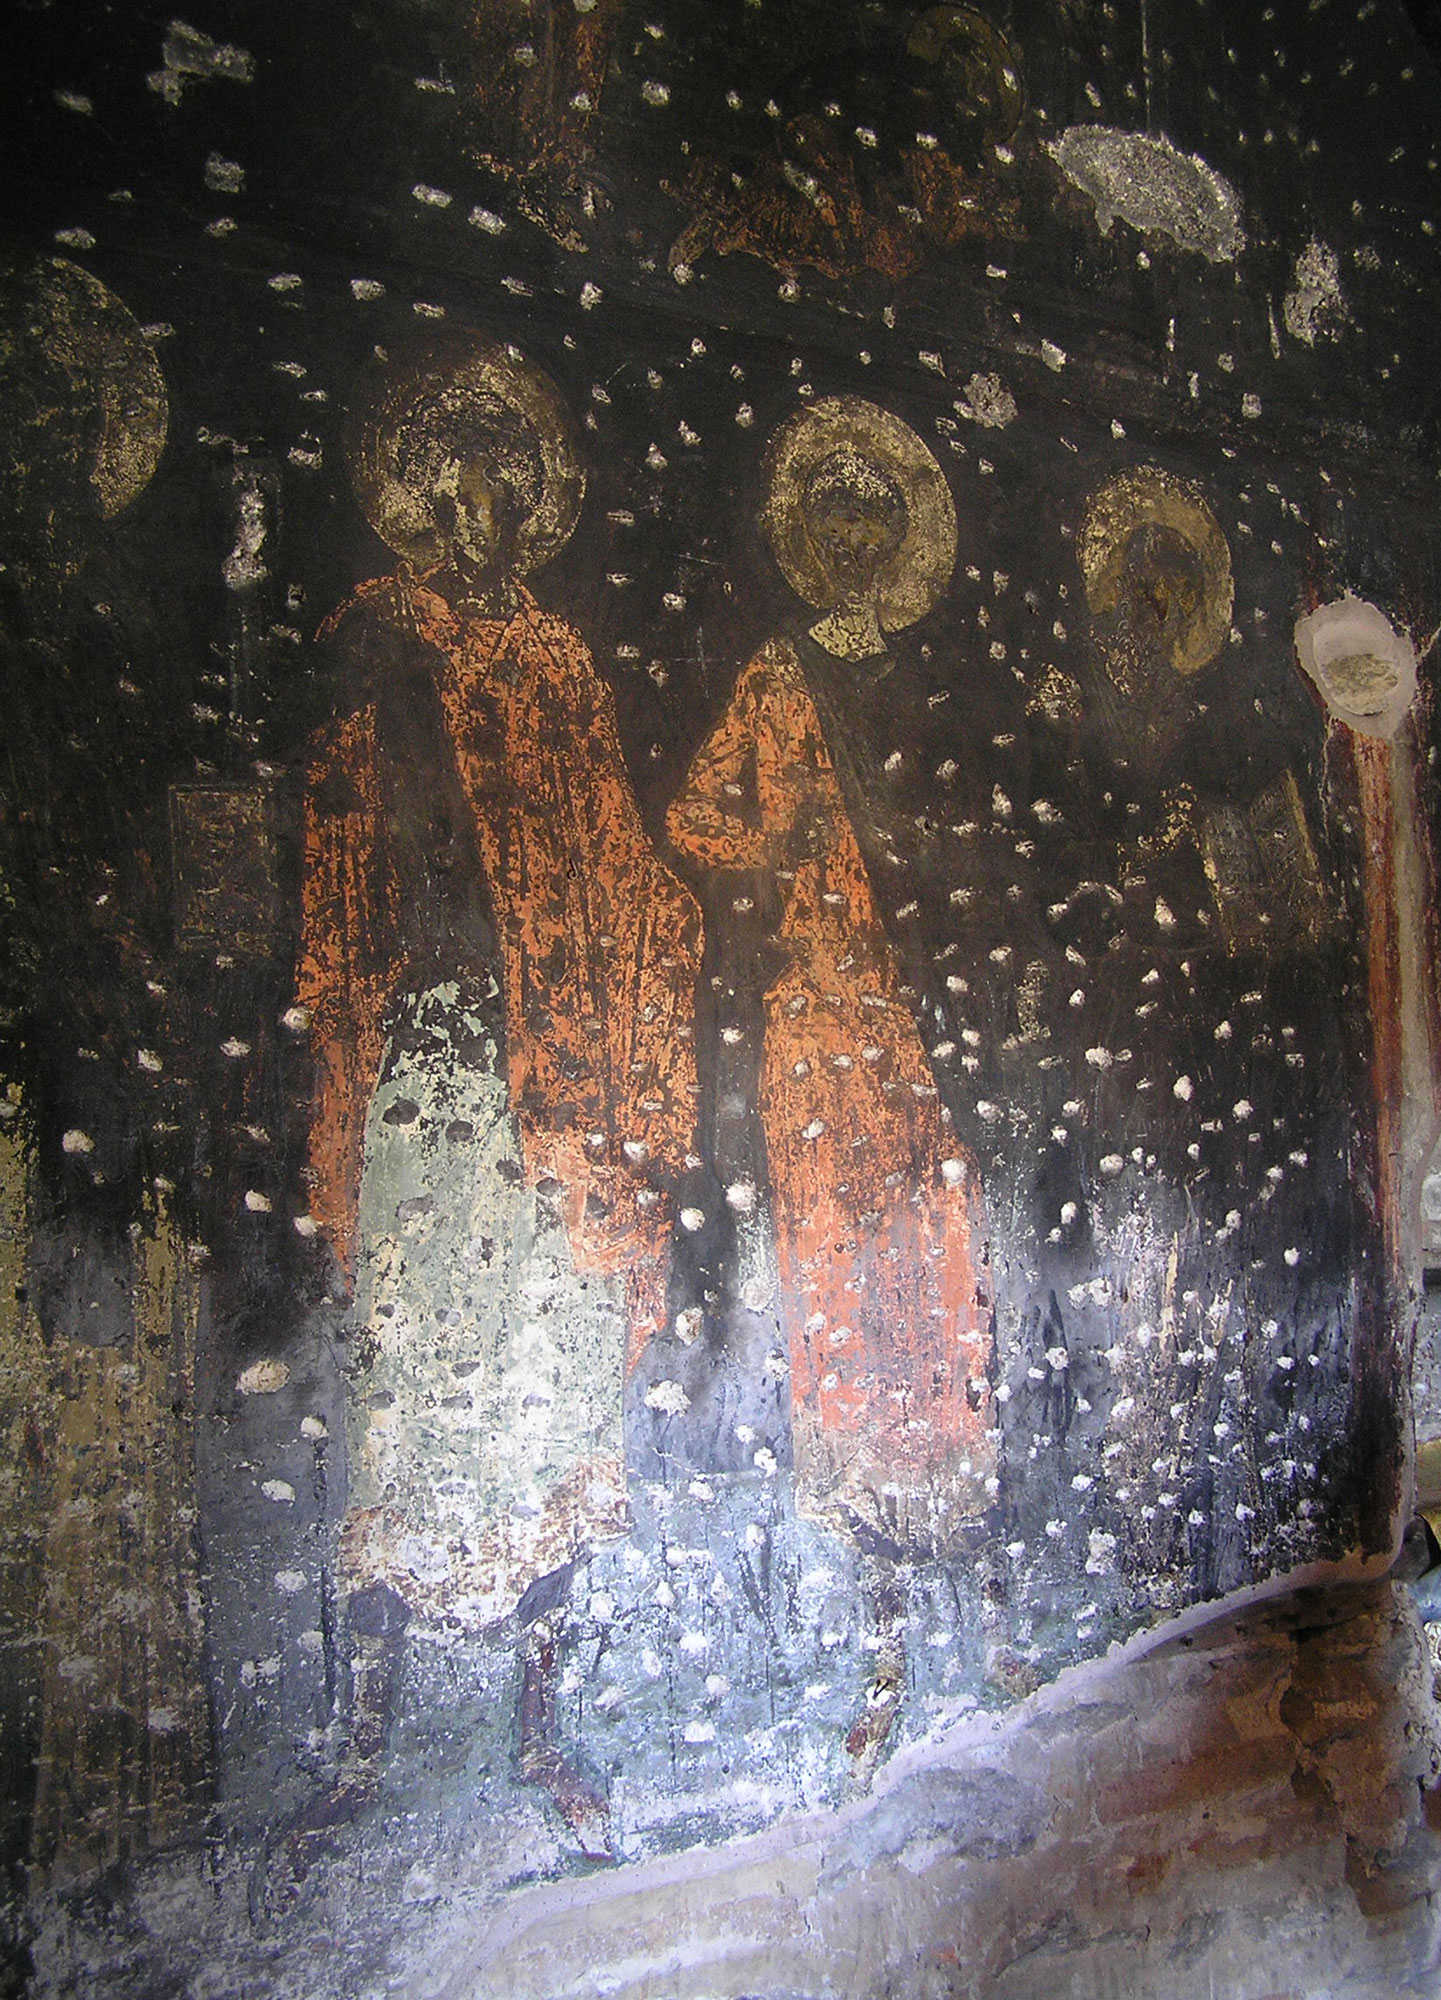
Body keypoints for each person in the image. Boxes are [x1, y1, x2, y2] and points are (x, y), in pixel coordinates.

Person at [291, 342, 701, 1853]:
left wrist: (669, 932)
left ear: (532, 508)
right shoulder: (374, 639)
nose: (483, 515)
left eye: (507, 492)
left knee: (556, 1384)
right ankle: (363, 1747)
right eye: (457, 490)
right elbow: (339, 845)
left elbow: (607, 858)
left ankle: (540, 1733)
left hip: (560, 1082)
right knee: (410, 1389)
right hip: (430, 1068)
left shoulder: (559, 664)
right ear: (420, 499)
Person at [666, 396, 997, 1564]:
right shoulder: (775, 673)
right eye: (834, 520)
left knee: (929, 1219)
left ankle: (938, 1459)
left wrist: (934, 856)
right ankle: (852, 1461)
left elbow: (967, 832)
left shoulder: (925, 681)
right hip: (812, 991)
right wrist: (775, 841)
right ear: (807, 536)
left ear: (897, 541)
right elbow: (693, 815)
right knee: (830, 1221)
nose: (853, 542)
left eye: (872, 522)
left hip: (913, 998)